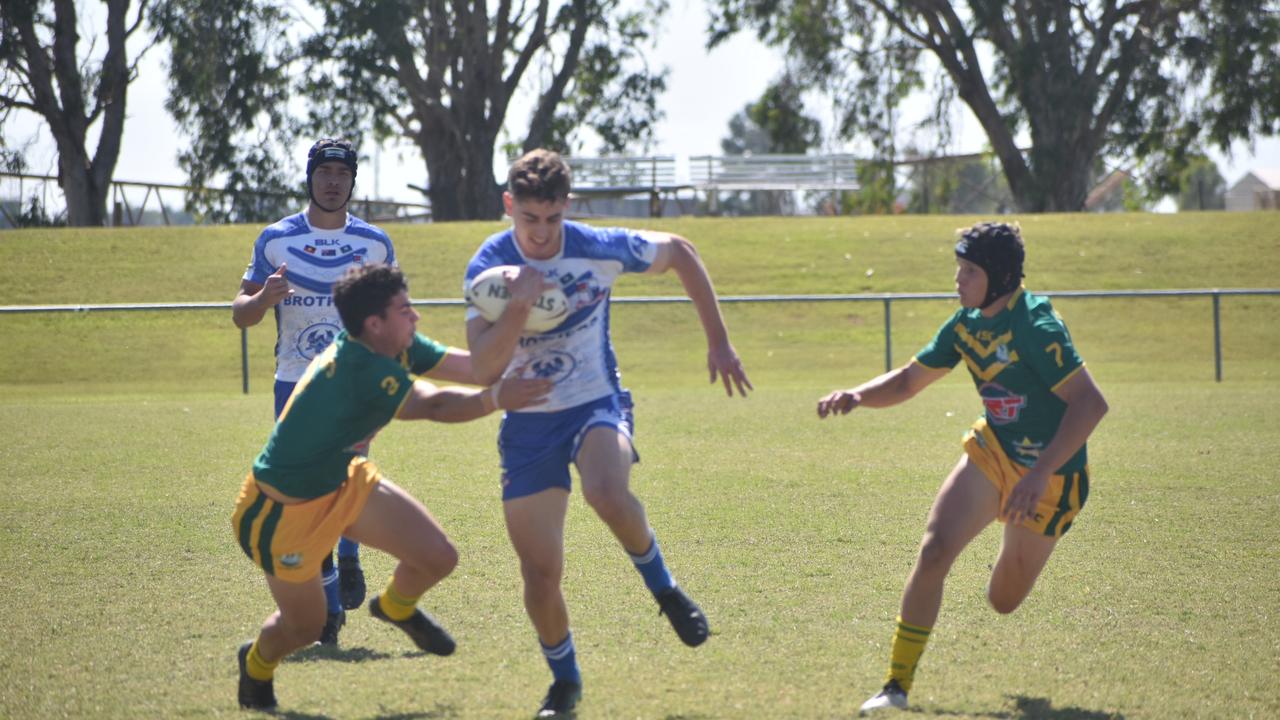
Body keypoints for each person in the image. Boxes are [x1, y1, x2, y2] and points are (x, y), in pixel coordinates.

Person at [464, 149, 753, 717]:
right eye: (529, 219)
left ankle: (665, 589)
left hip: (596, 401)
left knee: (606, 491)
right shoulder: (488, 269)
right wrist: (519, 308)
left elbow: (682, 253)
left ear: (567, 207)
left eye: (552, 219)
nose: (542, 234)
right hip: (527, 424)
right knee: (540, 571)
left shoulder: (597, 247)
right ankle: (565, 682)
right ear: (508, 207)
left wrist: (718, 340)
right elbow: (481, 368)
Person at [816, 222, 1109, 713]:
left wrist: (1037, 474)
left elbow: (1090, 405)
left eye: (968, 271)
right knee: (934, 551)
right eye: (959, 268)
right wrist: (858, 396)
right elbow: (910, 380)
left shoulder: (1035, 326)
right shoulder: (966, 323)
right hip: (993, 452)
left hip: (1052, 478)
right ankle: (895, 687)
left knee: (1003, 599)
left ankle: (1013, 536)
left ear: (997, 278)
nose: (958, 279)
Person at [233, 263, 551, 711]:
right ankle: (256, 664)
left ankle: (396, 606)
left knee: (438, 558)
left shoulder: (395, 344)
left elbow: (480, 367)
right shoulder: (357, 365)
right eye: (406, 310)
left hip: (343, 482)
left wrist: (519, 312)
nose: (416, 318)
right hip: (283, 512)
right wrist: (500, 397)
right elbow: (436, 404)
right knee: (305, 629)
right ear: (374, 323)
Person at [233, 138, 446, 643]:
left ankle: (343, 566)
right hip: (297, 384)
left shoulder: (375, 244)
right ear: (310, 177)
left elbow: (395, 315)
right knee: (312, 490)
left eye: (342, 173)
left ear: (353, 181)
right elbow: (241, 315)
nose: (332, 181)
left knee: (345, 477)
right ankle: (330, 597)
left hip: (357, 382)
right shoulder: (276, 239)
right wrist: (263, 297)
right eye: (324, 171)